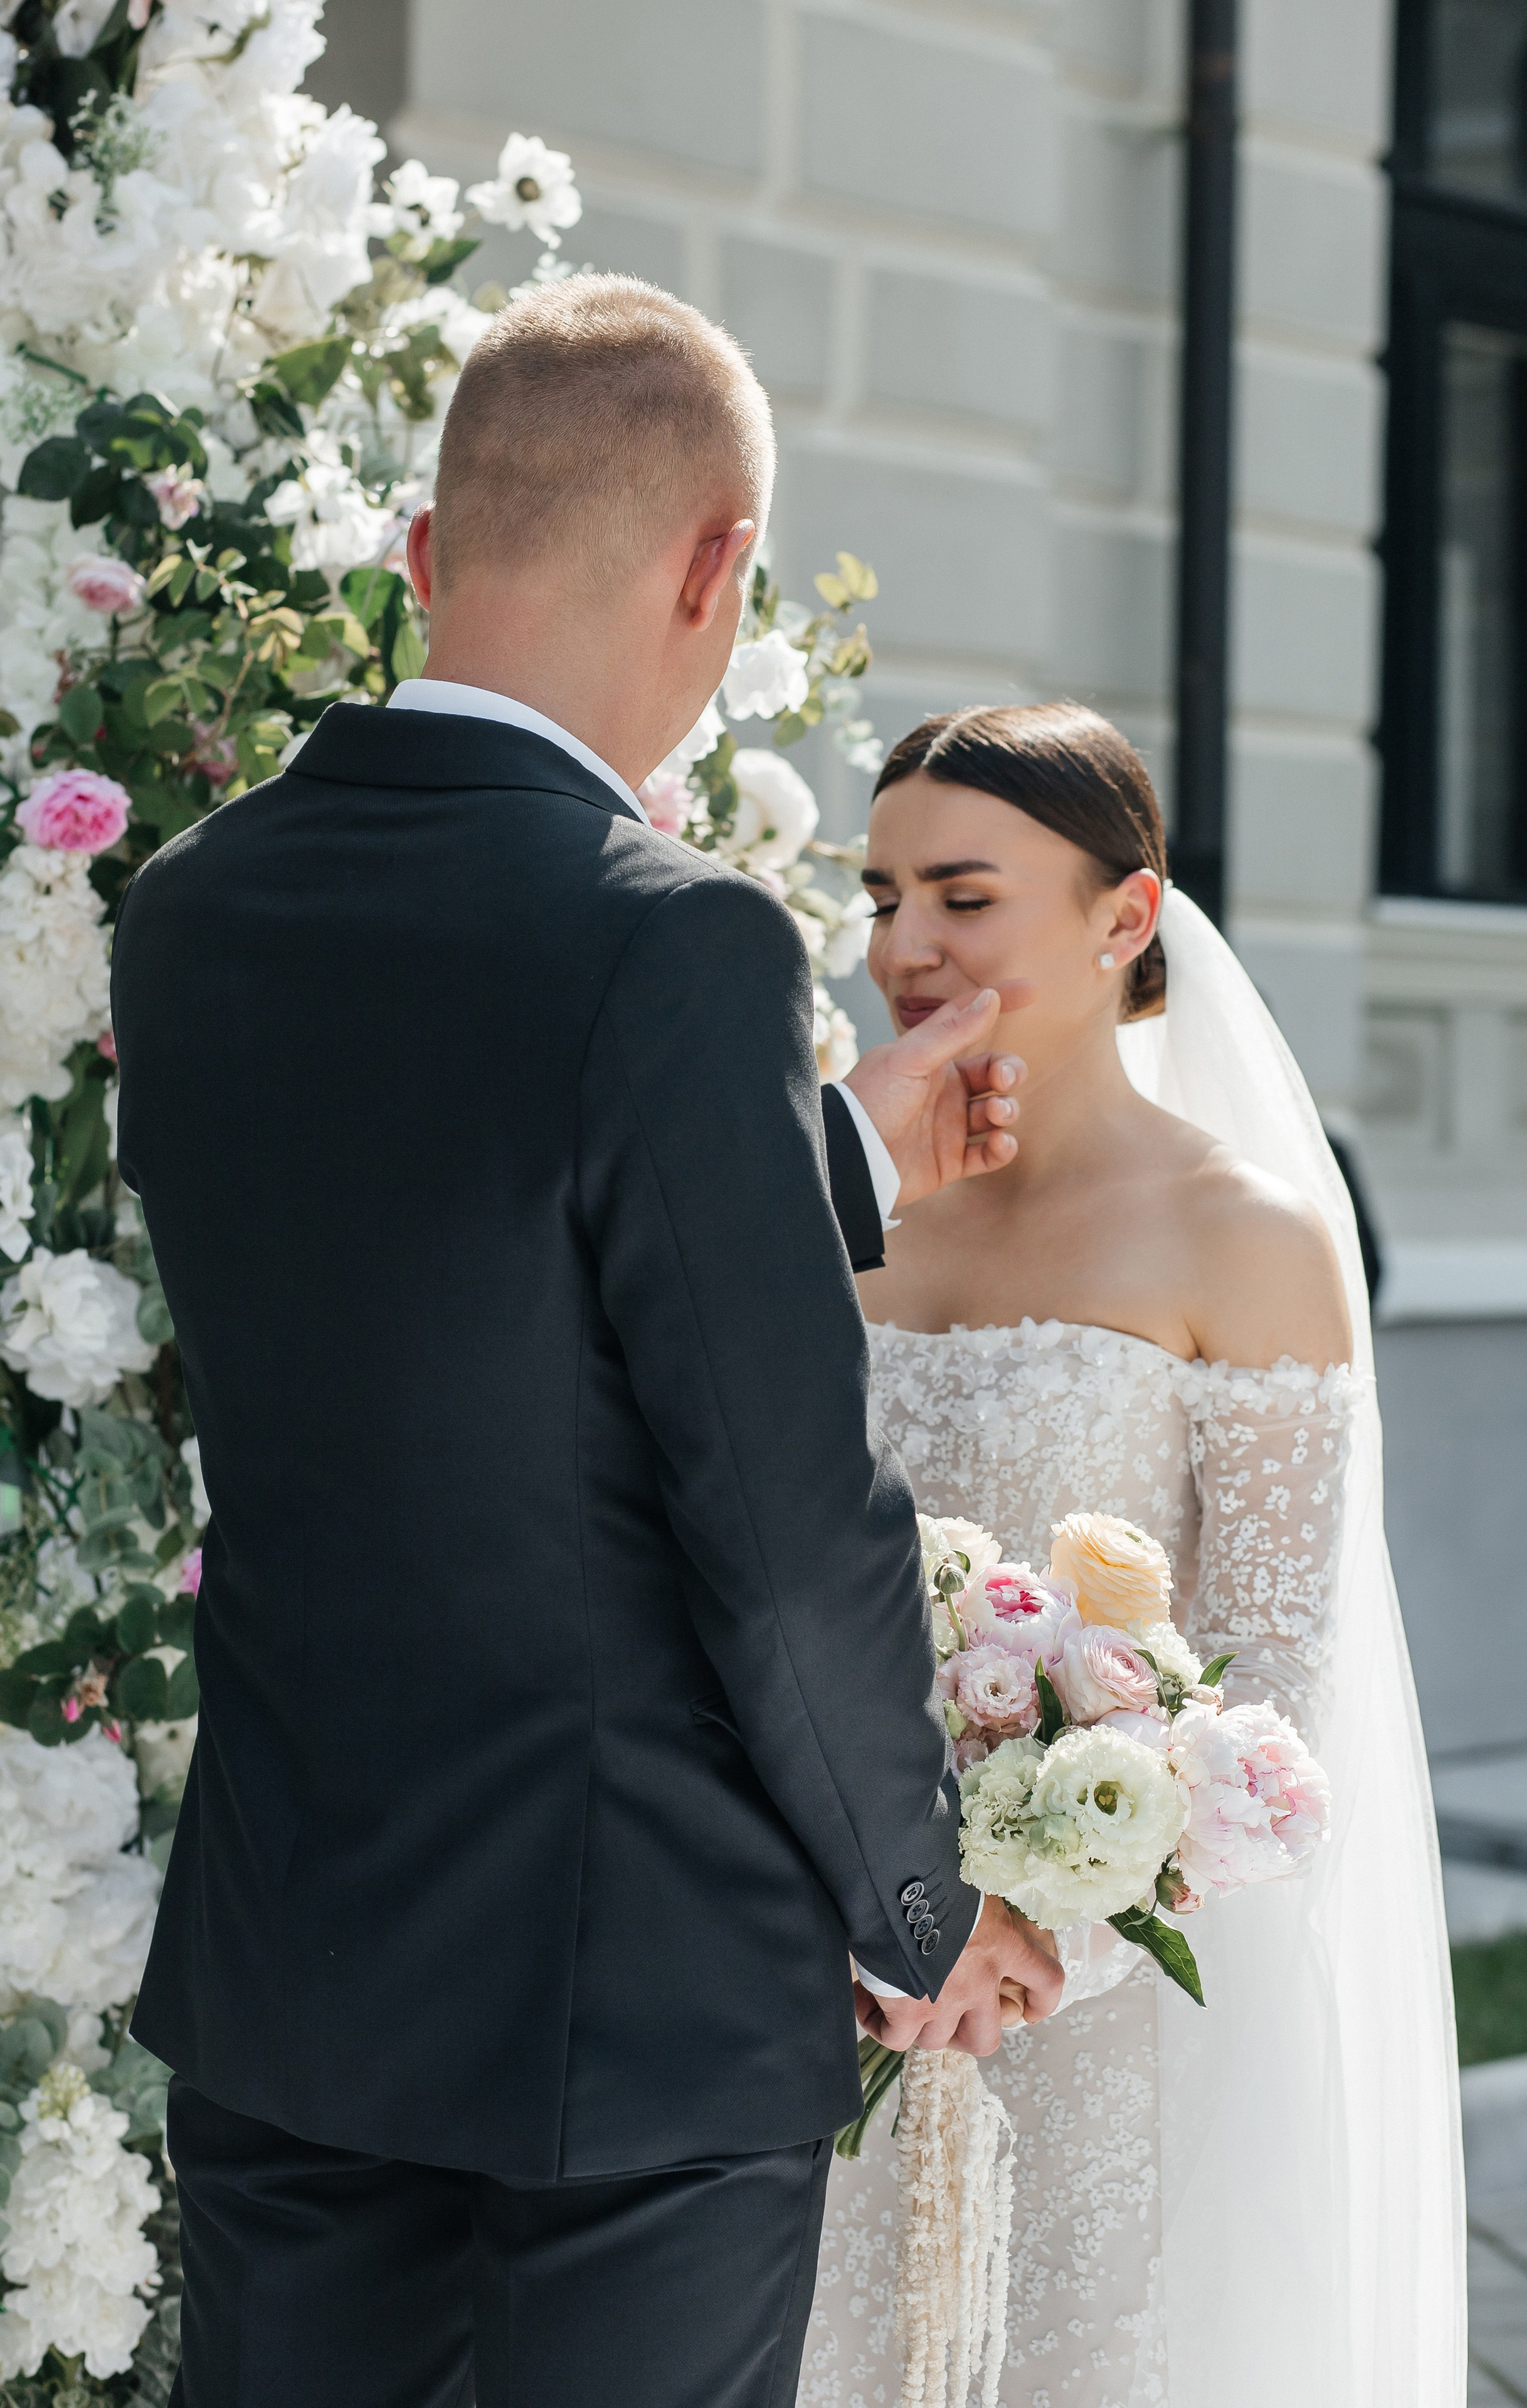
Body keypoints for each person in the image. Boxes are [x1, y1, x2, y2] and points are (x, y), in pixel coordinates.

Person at [110, 277, 1063, 2408]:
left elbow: (433, 1290)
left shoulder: (191, 912)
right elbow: (783, 1520)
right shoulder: (674, 934)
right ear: (721, 566)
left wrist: (816, 1147)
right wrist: (916, 1908)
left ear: (429, 560)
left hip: (297, 1986)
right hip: (619, 2042)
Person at [803, 703, 1466, 2408]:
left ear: (1125, 915)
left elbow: (1270, 1669)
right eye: (883, 898)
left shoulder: (1241, 1234)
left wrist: (1042, 1930)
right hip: (824, 1967)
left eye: (962, 896)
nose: (905, 946)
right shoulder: (825, 1180)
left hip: (1099, 1994)